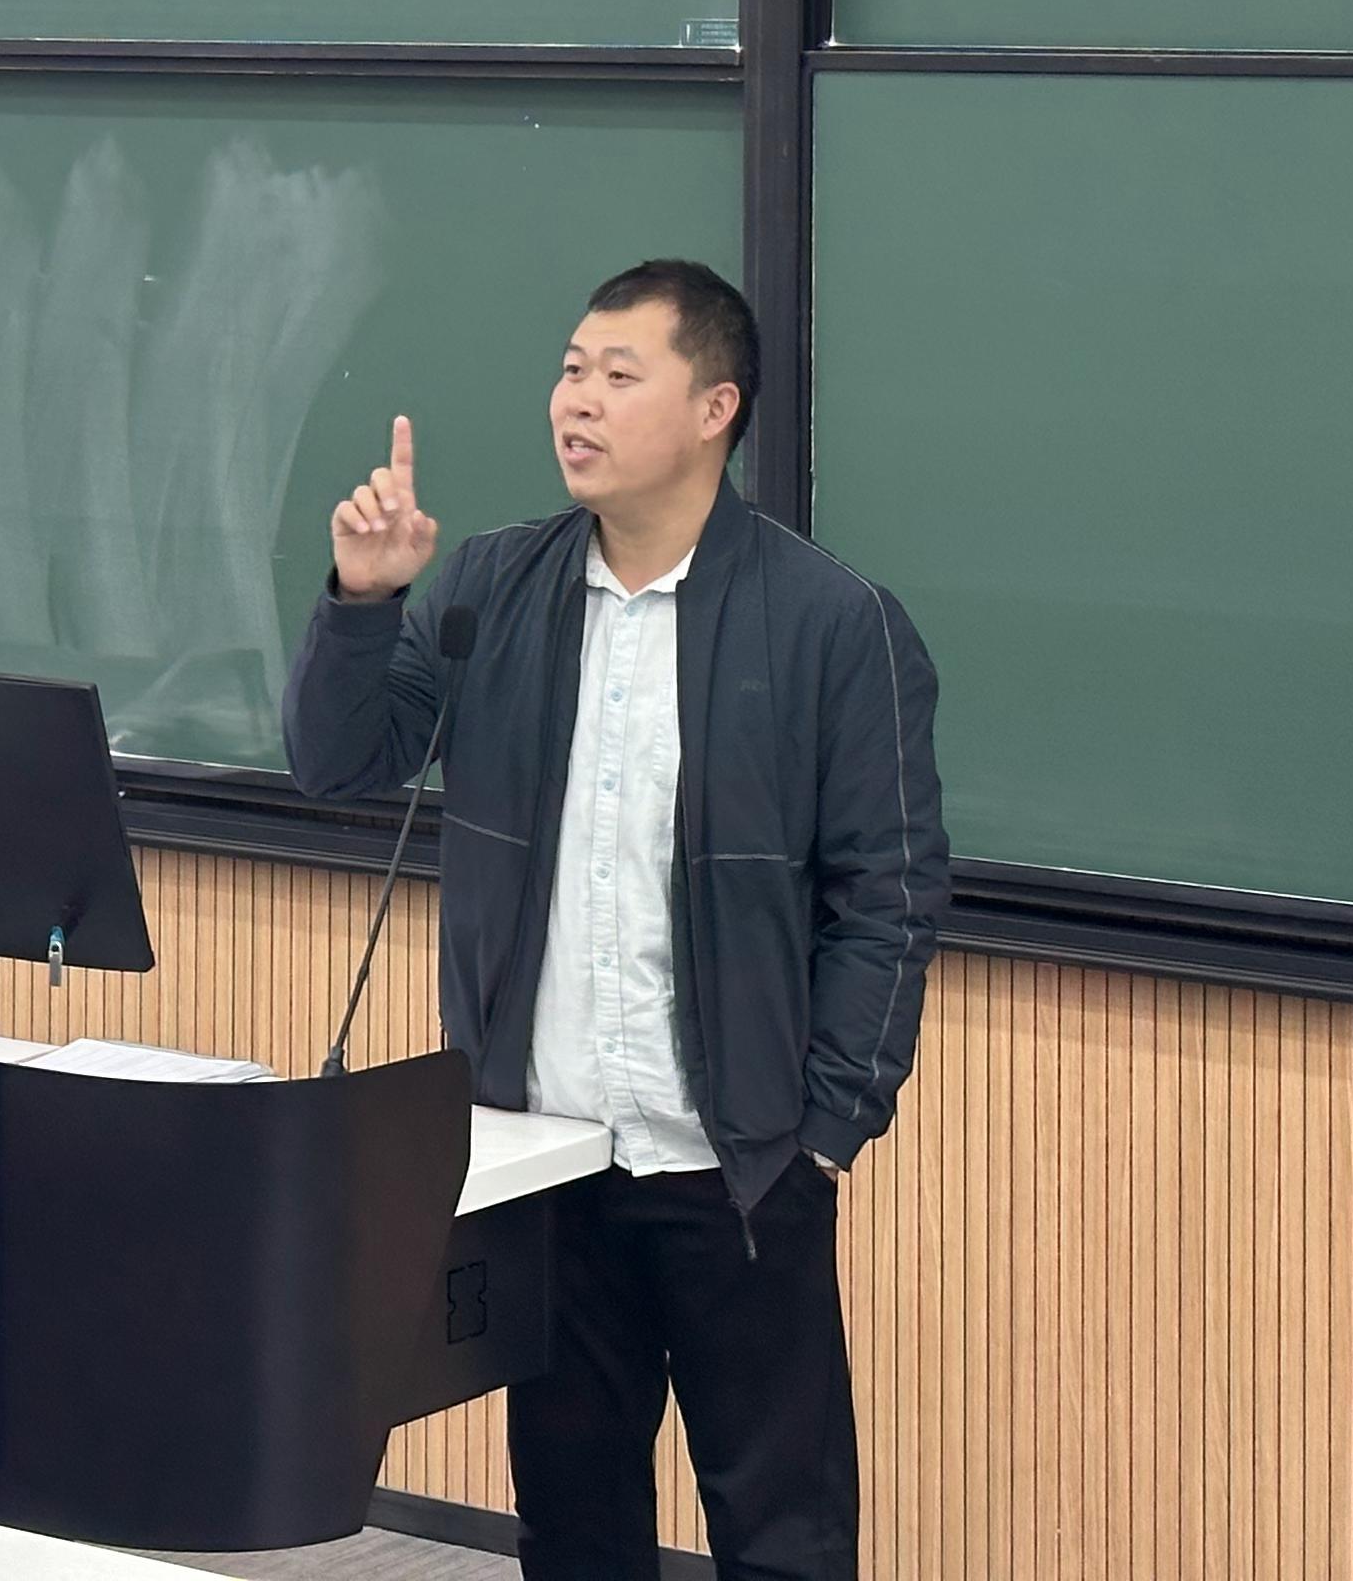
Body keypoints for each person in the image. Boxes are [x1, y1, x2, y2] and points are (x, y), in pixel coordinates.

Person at [283, 259, 944, 1581]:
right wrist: (364, 602)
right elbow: (339, 762)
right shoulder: (491, 588)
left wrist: (823, 1132)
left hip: (740, 1169)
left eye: (618, 375)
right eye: (571, 370)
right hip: (550, 1159)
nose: (575, 401)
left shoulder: (833, 624)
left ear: (714, 409)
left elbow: (891, 896)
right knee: (575, 1529)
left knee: (784, 1534)